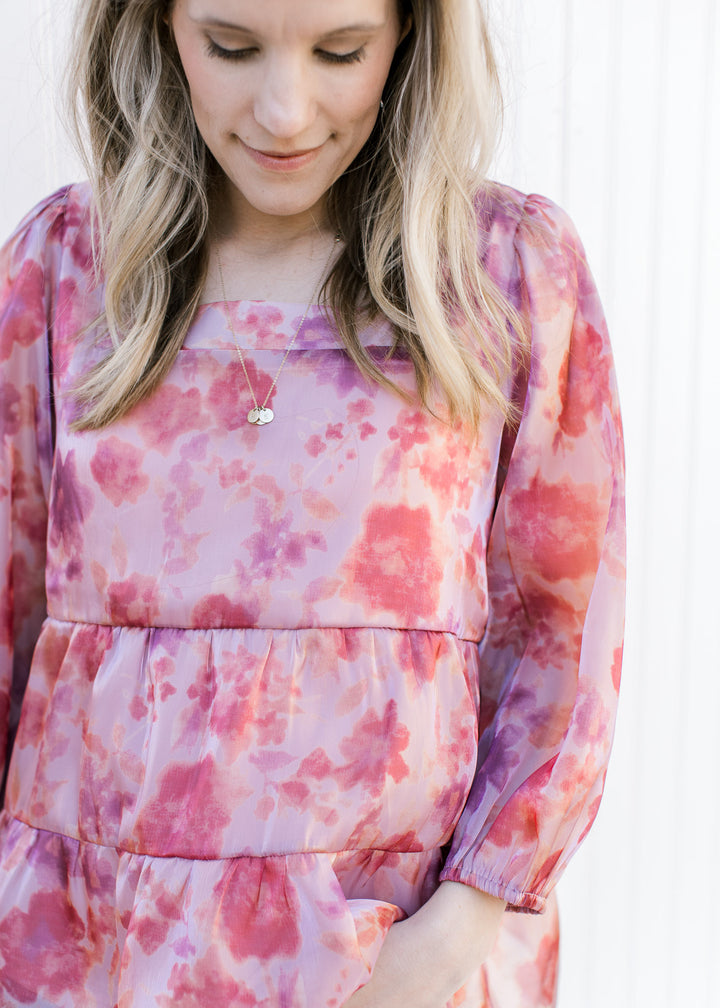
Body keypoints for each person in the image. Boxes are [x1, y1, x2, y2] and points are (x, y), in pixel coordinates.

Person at [0, 0, 625, 1005]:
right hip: (85, 954)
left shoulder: (505, 273)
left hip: (394, 963)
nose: (285, 111)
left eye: (341, 50)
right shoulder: (65, 268)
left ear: (409, 38)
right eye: (232, 47)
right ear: (158, 28)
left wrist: (453, 932)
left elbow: (561, 642)